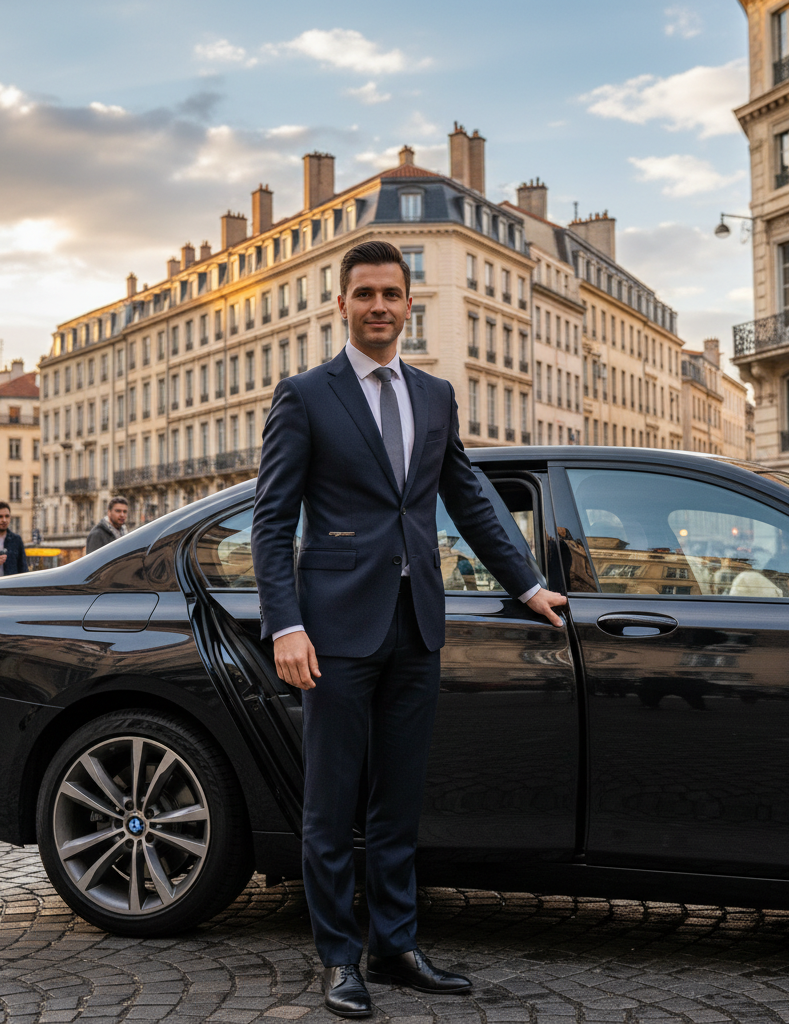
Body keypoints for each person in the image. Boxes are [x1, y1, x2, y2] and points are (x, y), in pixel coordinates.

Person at [253, 240, 567, 1018]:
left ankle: (395, 946)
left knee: (397, 801)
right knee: (332, 805)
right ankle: (339, 958)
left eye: (392, 294)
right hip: (332, 633)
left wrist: (528, 585)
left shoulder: (434, 396)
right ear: (343, 306)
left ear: (409, 303)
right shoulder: (306, 395)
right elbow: (270, 521)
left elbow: (467, 497)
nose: (380, 307)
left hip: (417, 625)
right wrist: (285, 624)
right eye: (365, 295)